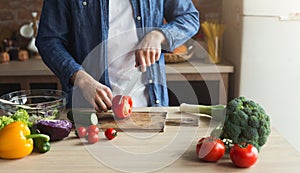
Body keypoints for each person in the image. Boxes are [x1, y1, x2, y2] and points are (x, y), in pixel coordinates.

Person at [36, 0, 200, 112]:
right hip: (89, 109)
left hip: (150, 108)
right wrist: (81, 79)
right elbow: (48, 40)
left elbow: (189, 17)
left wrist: (158, 35)